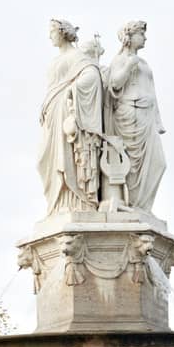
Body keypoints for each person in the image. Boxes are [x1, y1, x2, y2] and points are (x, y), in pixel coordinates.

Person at [38, 19, 106, 216]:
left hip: (66, 111)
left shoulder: (77, 56)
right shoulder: (55, 60)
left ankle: (77, 201)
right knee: (45, 160)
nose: (50, 36)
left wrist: (71, 90)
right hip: (53, 114)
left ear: (62, 32)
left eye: (52, 31)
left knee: (67, 157)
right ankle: (57, 202)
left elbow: (92, 75)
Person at [105, 20, 166, 213]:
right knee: (131, 163)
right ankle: (132, 204)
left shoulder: (145, 63)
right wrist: (129, 65)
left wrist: (158, 121)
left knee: (158, 163)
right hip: (129, 114)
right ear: (129, 37)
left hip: (146, 116)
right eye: (141, 33)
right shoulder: (120, 60)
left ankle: (142, 206)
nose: (145, 37)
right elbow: (114, 83)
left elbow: (153, 92)